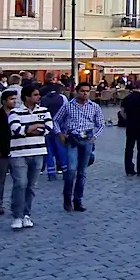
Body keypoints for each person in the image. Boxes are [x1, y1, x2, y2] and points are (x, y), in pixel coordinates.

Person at [53, 82, 104, 212]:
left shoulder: (94, 107)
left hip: (87, 139)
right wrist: (59, 134)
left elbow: (101, 124)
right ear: (77, 91)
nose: (85, 93)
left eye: (87, 91)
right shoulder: (68, 106)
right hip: (72, 139)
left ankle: (78, 200)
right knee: (71, 170)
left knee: (82, 172)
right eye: (82, 91)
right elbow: (55, 120)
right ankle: (67, 197)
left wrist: (95, 137)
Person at [7, 86, 52, 230]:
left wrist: (30, 128)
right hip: (19, 153)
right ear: (26, 97)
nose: (39, 97)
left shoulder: (44, 111)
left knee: (31, 185)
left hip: (38, 151)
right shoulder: (15, 112)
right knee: (21, 183)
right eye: (35, 94)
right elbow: (17, 130)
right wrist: (34, 127)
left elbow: (48, 128)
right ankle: (17, 215)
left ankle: (26, 214)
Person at [121, 79, 140, 176]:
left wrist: (127, 119)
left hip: (130, 124)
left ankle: (129, 169)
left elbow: (122, 111)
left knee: (129, 147)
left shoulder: (127, 98)